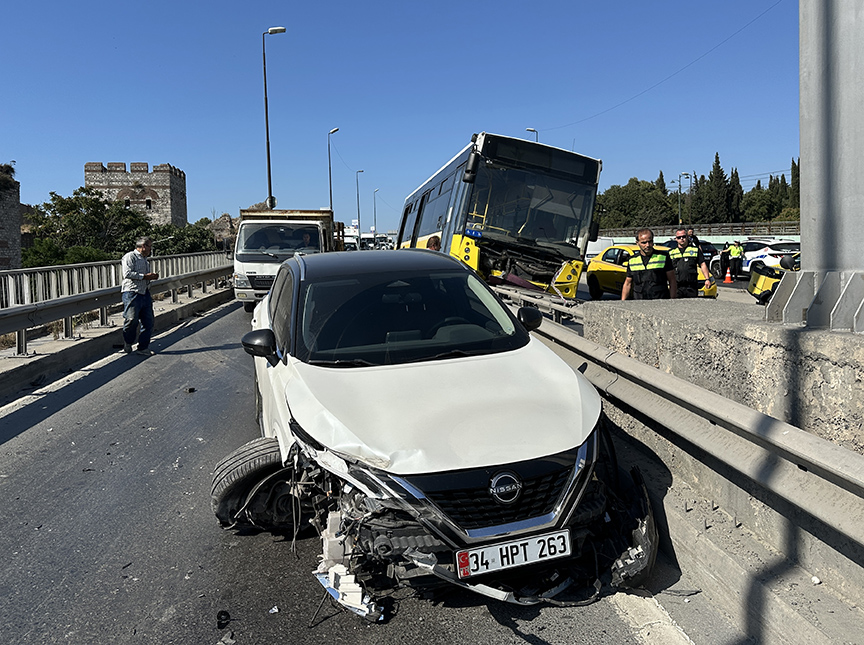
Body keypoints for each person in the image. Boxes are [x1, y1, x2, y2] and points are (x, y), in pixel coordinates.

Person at [121, 236, 159, 355]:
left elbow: (145, 276)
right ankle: (128, 341)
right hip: (132, 292)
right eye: (149, 246)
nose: (150, 249)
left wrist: (152, 277)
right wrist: (144, 276)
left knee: (148, 321)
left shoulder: (145, 259)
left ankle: (143, 347)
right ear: (143, 246)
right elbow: (127, 273)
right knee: (131, 320)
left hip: (144, 292)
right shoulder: (130, 257)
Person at [621, 228, 677, 300]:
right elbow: (627, 283)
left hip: (660, 301)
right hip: (639, 301)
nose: (647, 245)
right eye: (644, 242)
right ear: (637, 243)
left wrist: (673, 300)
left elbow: (672, 280)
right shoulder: (632, 260)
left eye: (650, 242)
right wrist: (622, 302)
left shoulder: (663, 257)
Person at [669, 228, 713, 298]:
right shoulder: (671, 252)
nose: (681, 239)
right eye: (679, 237)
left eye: (683, 236)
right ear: (676, 239)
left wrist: (707, 279)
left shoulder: (695, 250)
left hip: (691, 286)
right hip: (677, 286)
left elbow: (703, 264)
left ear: (687, 237)